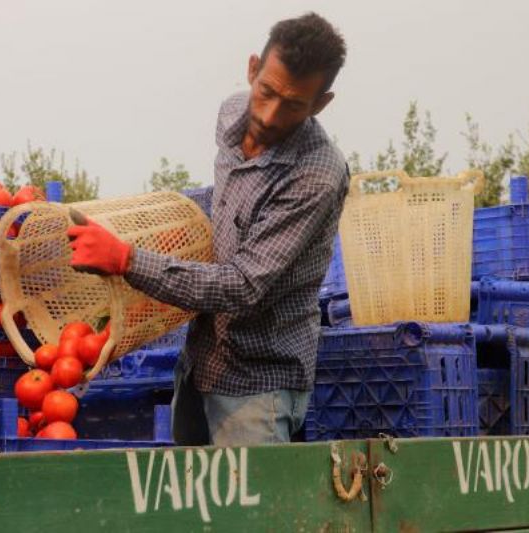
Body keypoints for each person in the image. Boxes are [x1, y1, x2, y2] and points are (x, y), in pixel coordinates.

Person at [68, 12, 349, 446]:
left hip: (260, 381)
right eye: (266, 92)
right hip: (201, 364)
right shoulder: (232, 112)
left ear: (320, 104)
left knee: (249, 511)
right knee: (192, 509)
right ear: (253, 69)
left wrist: (127, 258)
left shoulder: (316, 174)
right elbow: (223, 207)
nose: (271, 115)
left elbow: (242, 286)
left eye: (293, 104)